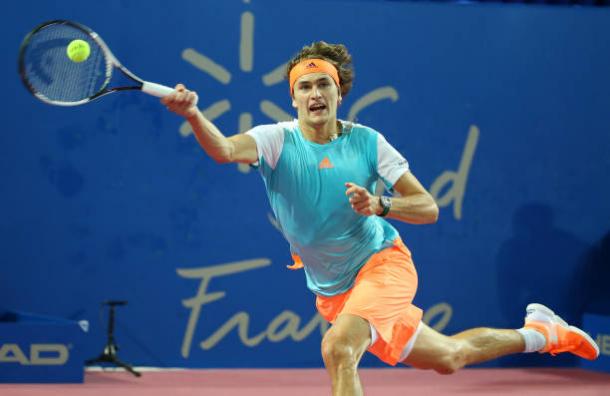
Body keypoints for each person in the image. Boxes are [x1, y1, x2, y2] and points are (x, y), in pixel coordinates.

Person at [162, 41, 599, 396]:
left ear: (338, 92)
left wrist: (381, 204)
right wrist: (194, 115)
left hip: (382, 264)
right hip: (335, 288)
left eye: (323, 85)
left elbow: (428, 207)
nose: (315, 95)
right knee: (448, 357)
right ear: (292, 97)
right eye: (305, 87)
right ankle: (542, 334)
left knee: (338, 347)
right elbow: (223, 149)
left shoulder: (369, 142)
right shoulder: (274, 140)